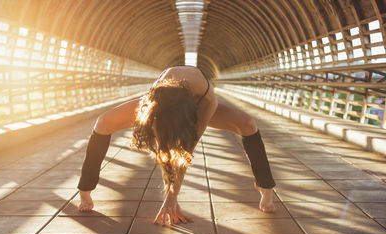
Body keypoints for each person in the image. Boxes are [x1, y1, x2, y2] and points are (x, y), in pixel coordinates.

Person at [77, 65, 276, 225]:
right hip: (161, 102)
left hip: (197, 104)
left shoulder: (208, 101)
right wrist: (172, 195)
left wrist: (171, 197)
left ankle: (265, 187)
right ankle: (85, 189)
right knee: (103, 123)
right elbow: (166, 149)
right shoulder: (154, 101)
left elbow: (184, 152)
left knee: (248, 125)